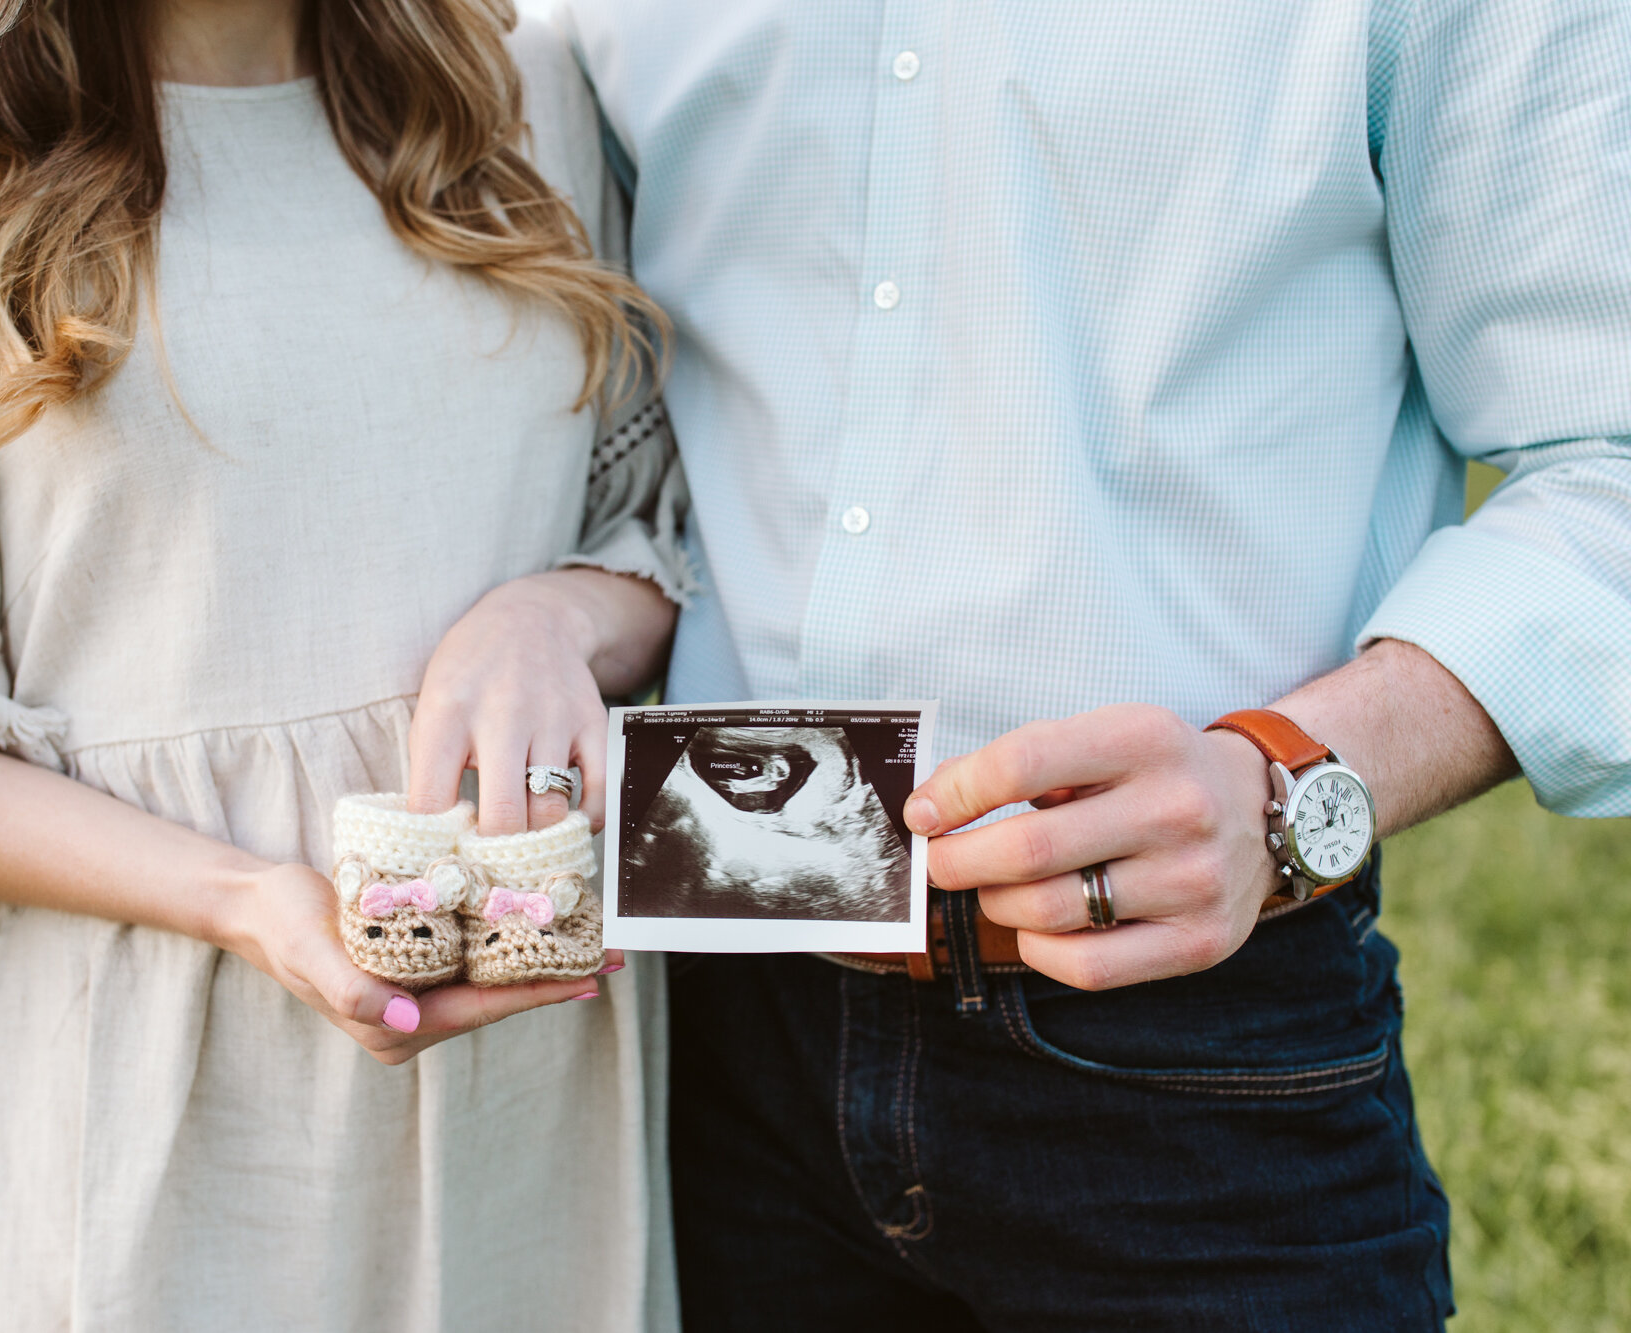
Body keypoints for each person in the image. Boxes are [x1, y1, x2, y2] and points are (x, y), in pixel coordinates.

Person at [563, 0, 1631, 1326]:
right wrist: (568, 600)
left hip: (1188, 1037)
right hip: (706, 1021)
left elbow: (1609, 465)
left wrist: (1285, 783)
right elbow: (580, 356)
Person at [0, 0, 689, 1328]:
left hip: (527, 1078)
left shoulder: (519, 87)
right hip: (138, 1082)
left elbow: (649, 535)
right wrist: (246, 898)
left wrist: (552, 617)